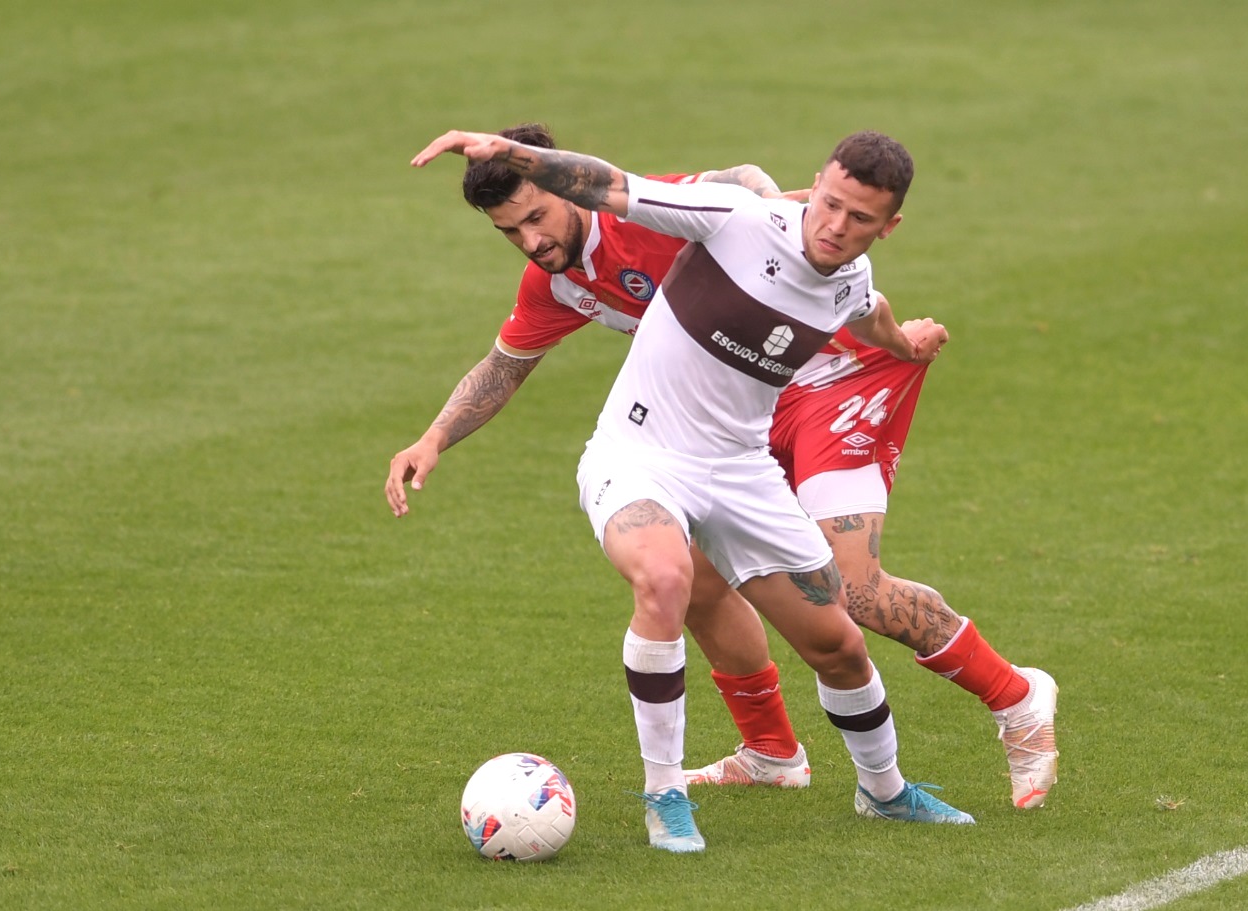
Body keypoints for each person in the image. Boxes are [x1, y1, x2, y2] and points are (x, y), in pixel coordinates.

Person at [387, 124, 1058, 811]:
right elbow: (505, 364)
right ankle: (770, 753)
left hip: (828, 383)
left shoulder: (662, 217)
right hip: (734, 423)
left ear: (561, 188)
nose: (530, 240)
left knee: (852, 591)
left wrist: (790, 228)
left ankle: (1018, 699)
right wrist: (433, 438)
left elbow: (743, 186)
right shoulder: (558, 282)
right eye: (510, 231)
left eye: (535, 216)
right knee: (693, 575)